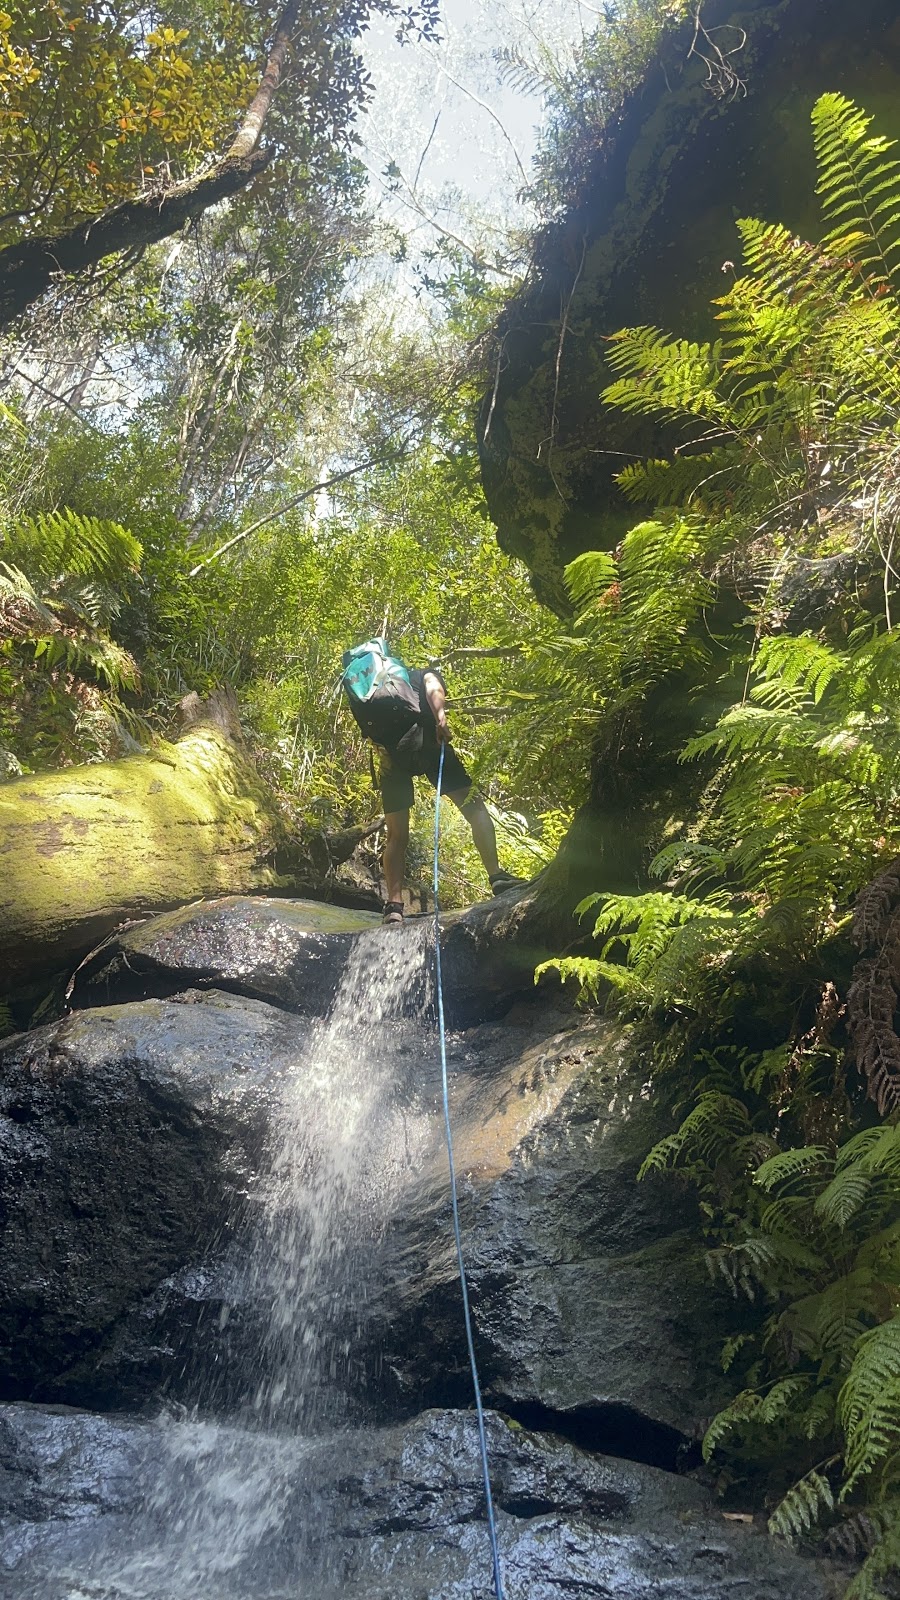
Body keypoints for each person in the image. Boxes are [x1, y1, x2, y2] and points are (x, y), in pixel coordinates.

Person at [350, 652, 524, 924]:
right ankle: (497, 876)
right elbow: (434, 688)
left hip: (391, 759)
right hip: (431, 747)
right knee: (474, 807)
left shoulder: (366, 695)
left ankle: (394, 906)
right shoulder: (420, 675)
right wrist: (441, 717)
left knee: (397, 836)